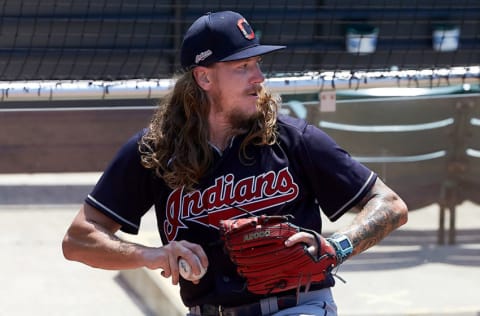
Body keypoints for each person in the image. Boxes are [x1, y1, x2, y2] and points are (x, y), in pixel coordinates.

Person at [62, 10, 408, 316]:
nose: (258, 77)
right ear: (204, 78)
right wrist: (151, 255)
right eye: (242, 67)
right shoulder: (155, 151)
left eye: (257, 64)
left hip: (299, 306)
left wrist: (336, 245)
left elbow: (390, 205)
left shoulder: (293, 139)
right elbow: (78, 239)